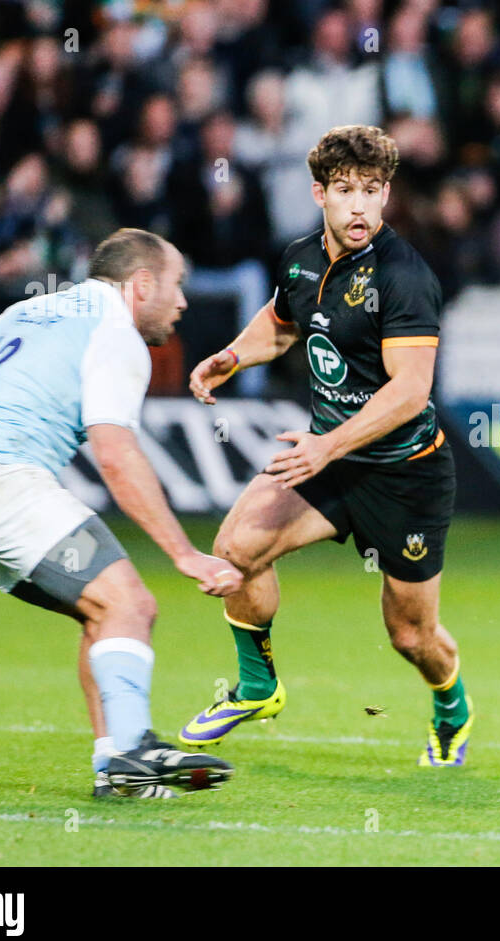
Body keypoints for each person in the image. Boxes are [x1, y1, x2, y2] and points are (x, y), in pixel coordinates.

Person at [178, 125, 473, 767]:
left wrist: (328, 445)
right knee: (235, 549)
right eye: (346, 191)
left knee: (410, 635)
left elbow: (411, 392)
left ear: (387, 195)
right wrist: (231, 356)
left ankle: (452, 706)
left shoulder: (405, 277)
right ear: (320, 193)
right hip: (331, 462)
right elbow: (282, 323)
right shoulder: (300, 257)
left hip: (405, 476)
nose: (360, 205)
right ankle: (259, 688)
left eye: (372, 190)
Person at [0, 227, 244, 798]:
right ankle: (135, 746)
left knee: (102, 613)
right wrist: (183, 552)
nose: (184, 302)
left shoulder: (35, 309)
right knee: (132, 605)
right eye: (177, 286)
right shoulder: (117, 335)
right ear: (141, 285)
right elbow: (116, 456)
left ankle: (115, 771)